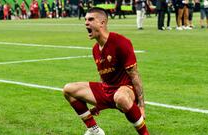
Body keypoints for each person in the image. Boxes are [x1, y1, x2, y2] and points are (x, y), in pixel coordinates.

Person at [63, 7, 149, 135]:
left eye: (91, 19)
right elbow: (103, 76)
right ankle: (94, 130)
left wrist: (141, 105)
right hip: (107, 90)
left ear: (102, 23)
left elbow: (135, 75)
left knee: (120, 97)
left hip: (126, 90)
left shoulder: (120, 42)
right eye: (85, 19)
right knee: (68, 89)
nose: (86, 22)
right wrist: (99, 104)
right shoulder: (95, 49)